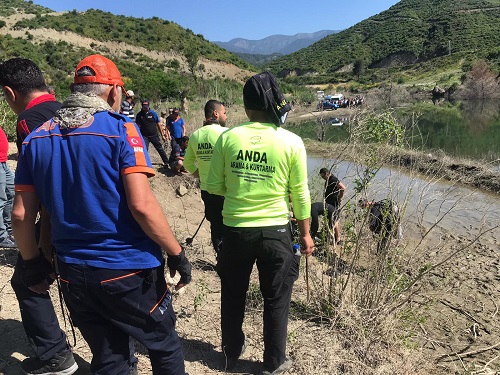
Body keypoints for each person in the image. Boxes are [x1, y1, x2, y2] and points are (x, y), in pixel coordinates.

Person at [12, 54, 192, 375]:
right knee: (163, 345)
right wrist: (176, 253)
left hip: (73, 274)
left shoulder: (37, 138)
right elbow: (142, 205)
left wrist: (32, 263)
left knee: (110, 357)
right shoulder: (122, 130)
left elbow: (23, 213)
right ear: (112, 92)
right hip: (127, 269)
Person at [206, 72, 314, 374]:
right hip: (276, 233)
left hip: (236, 230)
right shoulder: (291, 141)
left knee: (233, 293)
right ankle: (274, 362)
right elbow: (300, 194)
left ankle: (230, 352)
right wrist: (306, 234)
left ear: (246, 105)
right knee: (276, 298)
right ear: (275, 103)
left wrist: (240, 190)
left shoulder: (228, 137)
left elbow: (213, 186)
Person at [0, 57, 78, 375]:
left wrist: (41, 247)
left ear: (10, 93)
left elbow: (38, 192)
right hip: (88, 215)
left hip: (59, 220)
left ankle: (55, 356)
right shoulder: (65, 109)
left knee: (28, 280)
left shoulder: (29, 120)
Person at [184, 100, 228, 254]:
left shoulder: (196, 135)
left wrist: (200, 175)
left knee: (215, 225)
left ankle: (220, 258)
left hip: (206, 190)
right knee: (229, 225)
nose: (226, 116)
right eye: (224, 112)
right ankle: (230, 260)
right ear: (216, 113)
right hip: (224, 190)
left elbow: (187, 162)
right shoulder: (225, 134)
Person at [135, 100, 170, 166]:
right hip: (144, 136)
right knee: (144, 149)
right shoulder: (139, 115)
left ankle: (166, 162)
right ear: (142, 106)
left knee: (160, 148)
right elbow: (137, 125)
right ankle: (144, 163)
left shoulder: (153, 113)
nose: (145, 108)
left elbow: (158, 124)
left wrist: (162, 134)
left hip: (154, 135)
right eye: (144, 106)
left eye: (146, 106)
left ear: (148, 106)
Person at [319, 167, 346, 245]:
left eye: (323, 176)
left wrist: (339, 197)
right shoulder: (328, 180)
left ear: (327, 174)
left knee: (334, 220)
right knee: (330, 220)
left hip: (333, 203)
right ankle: (330, 235)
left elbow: (343, 188)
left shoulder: (333, 179)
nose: (323, 178)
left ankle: (338, 239)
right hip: (329, 203)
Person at [0, 126, 15, 248]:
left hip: (3, 161)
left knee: (12, 192)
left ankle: (10, 229)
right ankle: (1, 236)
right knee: (1, 199)